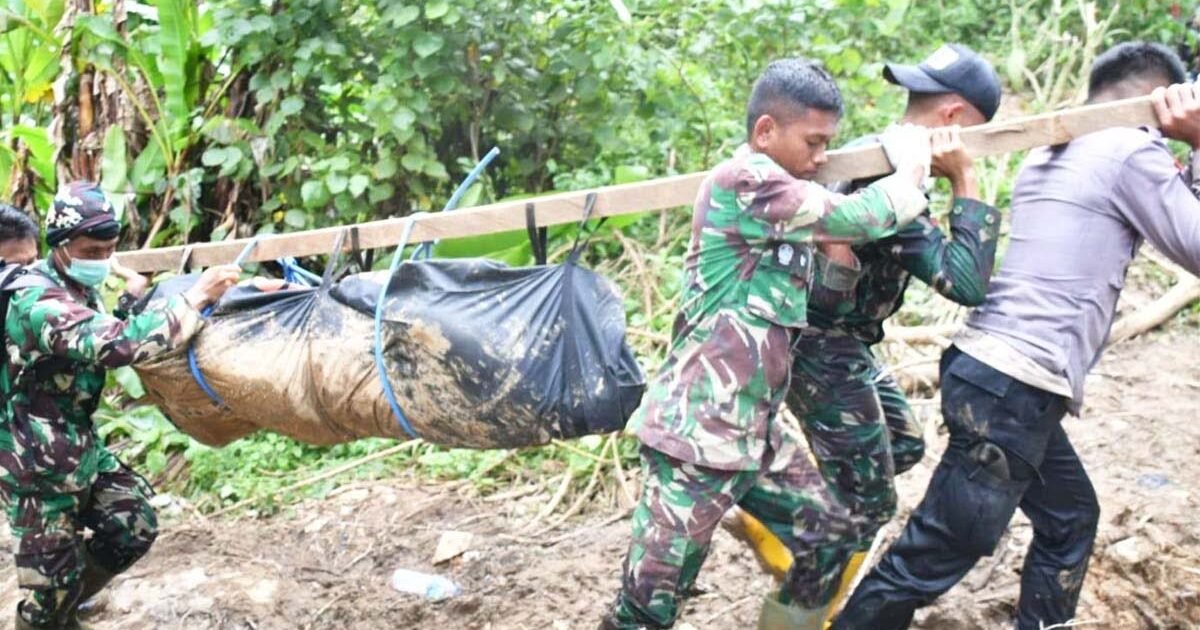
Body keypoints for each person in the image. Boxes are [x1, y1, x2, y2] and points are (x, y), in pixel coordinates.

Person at [834, 42, 1200, 629]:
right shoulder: (1131, 151)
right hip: (1014, 388)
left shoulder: (1054, 147)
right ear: (1161, 100)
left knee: (1070, 519)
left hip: (994, 376)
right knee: (931, 555)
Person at [599, 57, 937, 629]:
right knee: (647, 611)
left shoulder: (786, 211)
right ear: (765, 131)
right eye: (813, 142)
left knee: (829, 536)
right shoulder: (745, 181)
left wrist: (837, 256)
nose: (822, 157)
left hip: (752, 435)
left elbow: (827, 295)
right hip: (695, 438)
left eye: (828, 143)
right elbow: (857, 216)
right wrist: (911, 173)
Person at [726, 43, 1003, 613]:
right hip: (818, 347)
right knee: (868, 505)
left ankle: (785, 526)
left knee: (902, 445)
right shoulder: (886, 175)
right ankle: (797, 611)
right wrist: (966, 180)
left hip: (845, 343)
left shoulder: (879, 154)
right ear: (954, 116)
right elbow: (964, 283)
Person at [0, 181, 241, 630]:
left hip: (77, 448)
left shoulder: (70, 286)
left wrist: (129, 299)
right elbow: (115, 344)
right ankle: (53, 612)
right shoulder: (35, 299)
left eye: (109, 250)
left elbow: (92, 331)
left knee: (133, 523)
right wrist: (195, 297)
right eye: (91, 251)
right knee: (48, 599)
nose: (101, 260)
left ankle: (68, 602)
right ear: (60, 246)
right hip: (34, 466)